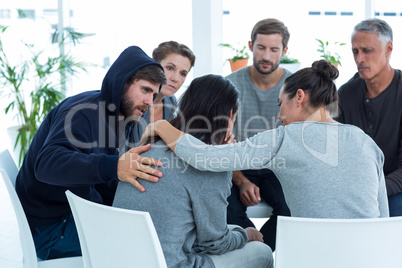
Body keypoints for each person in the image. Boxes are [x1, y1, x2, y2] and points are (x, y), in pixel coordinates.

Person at [142, 60, 389, 222]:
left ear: (299, 97)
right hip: (369, 255)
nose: (278, 115)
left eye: (281, 104)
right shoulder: (365, 141)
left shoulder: (286, 137)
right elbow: (383, 215)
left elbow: (204, 158)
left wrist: (162, 126)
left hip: (314, 254)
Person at [15, 46, 167, 260]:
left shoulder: (118, 116)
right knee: (143, 245)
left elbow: (103, 177)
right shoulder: (83, 113)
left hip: (72, 214)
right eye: (145, 90)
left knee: (157, 229)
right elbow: (47, 164)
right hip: (51, 228)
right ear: (122, 82)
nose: (150, 102)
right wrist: (113, 166)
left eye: (154, 94)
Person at [114, 74, 273, 268]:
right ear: (230, 114)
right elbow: (215, 243)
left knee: (233, 229)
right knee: (262, 252)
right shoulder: (212, 164)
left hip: (121, 259)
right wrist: (247, 234)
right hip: (171, 264)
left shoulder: (150, 145)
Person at [224, 18, 292, 250]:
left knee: (291, 209)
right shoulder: (229, 85)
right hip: (238, 165)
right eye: (261, 48)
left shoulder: (295, 87)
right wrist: (241, 180)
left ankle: (262, 254)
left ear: (284, 51)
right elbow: (221, 144)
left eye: (274, 50)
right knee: (227, 210)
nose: (266, 56)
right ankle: (250, 254)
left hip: (279, 167)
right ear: (250, 45)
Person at [336, 18, 402, 216]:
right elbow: (337, 154)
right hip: (356, 189)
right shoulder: (345, 93)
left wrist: (375, 191)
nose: (359, 59)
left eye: (367, 51)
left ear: (388, 49)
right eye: (355, 51)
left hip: (395, 187)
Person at [131, 41, 196, 144]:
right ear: (154, 64)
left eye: (183, 74)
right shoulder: (135, 99)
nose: (175, 78)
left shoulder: (171, 102)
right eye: (170, 68)